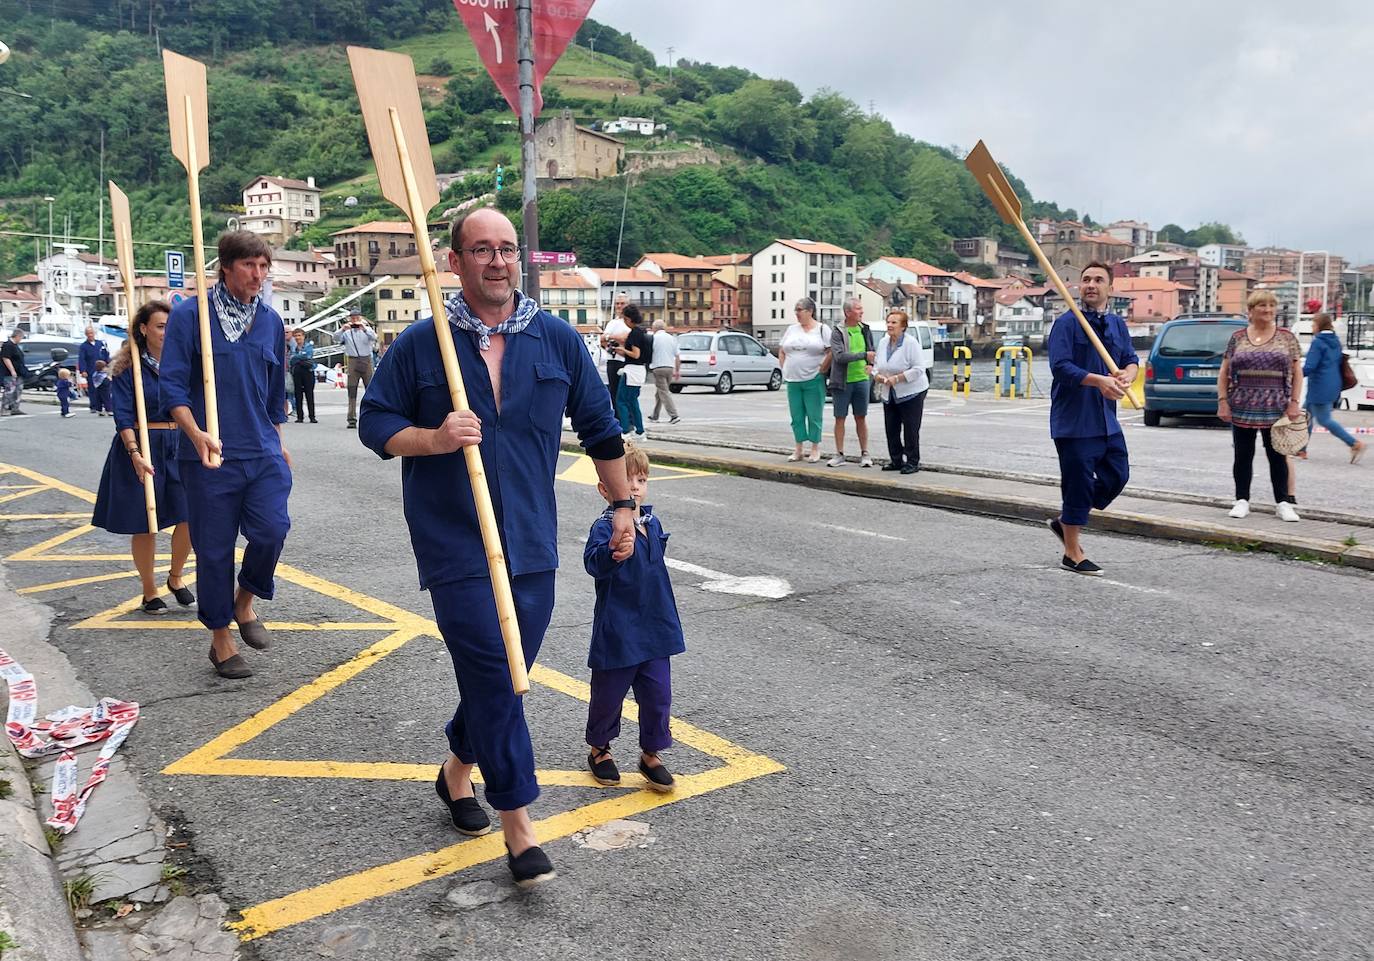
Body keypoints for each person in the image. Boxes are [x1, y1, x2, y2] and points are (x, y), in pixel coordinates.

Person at [358, 206, 635, 889]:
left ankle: (457, 770)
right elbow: (375, 424)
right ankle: (519, 825)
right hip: (454, 541)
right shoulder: (425, 344)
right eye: (481, 249)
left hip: (532, 541)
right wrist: (435, 438)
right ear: (454, 261)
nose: (497, 261)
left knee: (505, 675)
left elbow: (601, 428)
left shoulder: (558, 340)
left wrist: (624, 504)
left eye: (507, 248)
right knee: (495, 668)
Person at [161, 230, 292, 680]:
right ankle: (220, 638)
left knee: (273, 529)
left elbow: (275, 394)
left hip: (261, 450)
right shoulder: (189, 317)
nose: (258, 275)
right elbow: (172, 385)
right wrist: (196, 434)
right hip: (208, 454)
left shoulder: (271, 322)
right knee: (214, 550)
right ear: (225, 266)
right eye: (249, 266)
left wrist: (279, 440)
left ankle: (245, 600)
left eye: (263, 267)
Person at [583, 441, 684, 793]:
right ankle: (600, 748)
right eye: (628, 481)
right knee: (608, 695)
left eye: (641, 480)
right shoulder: (605, 527)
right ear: (605, 489)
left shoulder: (652, 523)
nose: (636, 487)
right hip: (619, 630)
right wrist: (613, 553)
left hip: (656, 627)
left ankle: (651, 753)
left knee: (658, 695)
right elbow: (593, 563)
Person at [91, 300, 195, 615]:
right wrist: (134, 452)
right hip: (142, 443)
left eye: (170, 326)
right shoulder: (127, 368)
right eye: (161, 326)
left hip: (179, 442)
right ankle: (149, 590)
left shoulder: (185, 363)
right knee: (146, 521)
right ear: (143, 328)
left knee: (190, 515)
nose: (167, 332)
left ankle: (175, 578)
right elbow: (122, 416)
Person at [1046, 261, 1139, 576]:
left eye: (1099, 280)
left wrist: (1127, 375)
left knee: (1118, 475)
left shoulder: (1117, 324)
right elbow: (1060, 367)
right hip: (1074, 422)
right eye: (1086, 279)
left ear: (1110, 288)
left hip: (1106, 421)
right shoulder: (1066, 324)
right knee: (1078, 485)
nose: (1091, 284)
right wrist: (1098, 381)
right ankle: (1072, 552)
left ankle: (1066, 520)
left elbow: (1130, 359)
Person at [1218, 290, 1304, 522]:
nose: (1267, 310)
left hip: (1277, 406)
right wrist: (1223, 401)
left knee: (1277, 456)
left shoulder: (1287, 337)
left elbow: (1297, 372)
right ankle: (1241, 500)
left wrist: (1294, 402)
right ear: (1251, 310)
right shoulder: (1237, 337)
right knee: (1243, 455)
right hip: (1242, 404)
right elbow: (1224, 371)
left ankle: (1283, 502)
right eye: (1261, 306)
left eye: (1271, 306)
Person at [1302, 313, 1366, 464]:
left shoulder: (1318, 342)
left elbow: (1310, 366)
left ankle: (1354, 443)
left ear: (1319, 325)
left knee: (1324, 420)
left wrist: (1294, 376)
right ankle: (1301, 449)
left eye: (1313, 324)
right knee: (1305, 416)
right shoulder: (1335, 341)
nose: (1312, 327)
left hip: (1319, 387)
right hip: (1333, 384)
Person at [873, 309, 928, 474]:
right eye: (888, 322)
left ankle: (912, 461)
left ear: (903, 326)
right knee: (891, 428)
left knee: (911, 429)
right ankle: (896, 460)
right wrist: (877, 376)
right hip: (889, 392)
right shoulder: (883, 342)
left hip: (912, 392)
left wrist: (898, 378)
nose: (889, 325)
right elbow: (877, 365)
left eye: (894, 322)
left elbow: (919, 369)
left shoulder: (911, 343)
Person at [778, 297, 830, 463]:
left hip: (813, 378)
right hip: (793, 379)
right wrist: (784, 367)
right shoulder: (792, 329)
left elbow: (831, 351)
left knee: (814, 414)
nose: (797, 313)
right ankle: (798, 447)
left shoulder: (822, 329)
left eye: (800, 310)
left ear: (810, 311)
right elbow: (782, 349)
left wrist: (822, 369)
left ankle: (815, 447)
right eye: (796, 310)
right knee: (796, 415)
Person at [827, 297, 876, 468]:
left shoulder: (865, 329)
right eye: (858, 309)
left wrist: (870, 364)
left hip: (862, 380)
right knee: (840, 417)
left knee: (861, 417)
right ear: (848, 312)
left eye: (861, 308)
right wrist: (863, 356)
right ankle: (839, 454)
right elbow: (839, 357)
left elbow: (871, 351)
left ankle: (865, 453)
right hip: (842, 381)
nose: (861, 311)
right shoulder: (837, 332)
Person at [612, 303, 650, 438]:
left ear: (628, 319)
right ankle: (640, 431)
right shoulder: (642, 332)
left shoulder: (634, 334)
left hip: (631, 371)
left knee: (621, 401)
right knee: (633, 401)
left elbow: (636, 354)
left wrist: (622, 349)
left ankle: (626, 430)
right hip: (639, 371)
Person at [334, 307, 376, 429]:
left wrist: (364, 328)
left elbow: (374, 337)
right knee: (352, 391)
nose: (355, 320)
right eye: (353, 318)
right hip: (352, 360)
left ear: (361, 318)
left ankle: (372, 416)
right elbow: (335, 338)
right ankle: (351, 418)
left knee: (370, 389)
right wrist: (343, 329)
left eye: (357, 318)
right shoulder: (346, 332)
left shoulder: (367, 329)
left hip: (366, 360)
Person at [646, 318, 680, 425]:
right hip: (670, 367)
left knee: (664, 392)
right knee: (660, 392)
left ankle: (674, 415)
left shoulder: (653, 338)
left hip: (658, 367)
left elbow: (649, 353)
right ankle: (655, 415)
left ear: (654, 328)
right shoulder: (672, 338)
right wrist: (677, 370)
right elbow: (678, 356)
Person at [600, 298, 630, 402]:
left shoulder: (630, 323)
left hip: (627, 362)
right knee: (613, 393)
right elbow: (602, 339)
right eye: (617, 303)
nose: (619, 306)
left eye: (622, 303)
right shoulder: (612, 323)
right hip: (612, 361)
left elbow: (627, 339)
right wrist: (616, 338)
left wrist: (610, 337)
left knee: (625, 394)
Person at [77, 325, 110, 414]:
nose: (90, 335)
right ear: (86, 335)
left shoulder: (101, 343)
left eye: (91, 333)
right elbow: (82, 359)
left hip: (102, 370)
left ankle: (105, 406)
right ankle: (94, 406)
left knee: (105, 389)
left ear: (94, 333)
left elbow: (106, 355)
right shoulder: (83, 346)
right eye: (88, 334)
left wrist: (108, 366)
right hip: (91, 370)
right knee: (92, 389)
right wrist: (83, 370)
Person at [289, 328, 317, 424]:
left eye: (299, 335)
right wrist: (300, 358)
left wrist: (297, 358)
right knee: (298, 394)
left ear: (303, 336)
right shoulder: (293, 347)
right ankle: (300, 417)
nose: (297, 338)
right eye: (296, 336)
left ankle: (312, 416)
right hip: (297, 372)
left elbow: (308, 355)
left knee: (309, 394)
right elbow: (291, 360)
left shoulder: (308, 346)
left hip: (308, 371)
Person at [1, 328, 29, 416]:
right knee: (10, 390)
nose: (21, 339)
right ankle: (4, 408)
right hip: (9, 373)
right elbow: (6, 358)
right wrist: (12, 370)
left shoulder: (15, 346)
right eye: (21, 337)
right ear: (17, 336)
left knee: (18, 390)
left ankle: (15, 408)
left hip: (19, 372)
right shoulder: (8, 345)